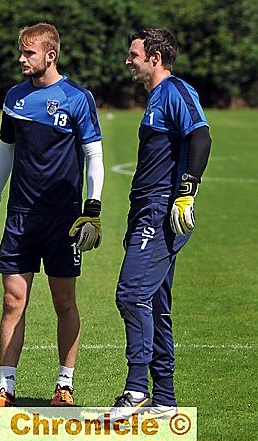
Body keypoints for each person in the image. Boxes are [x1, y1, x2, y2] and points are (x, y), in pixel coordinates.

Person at [0, 23, 104, 407]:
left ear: (50, 56)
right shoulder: (14, 98)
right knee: (13, 299)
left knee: (63, 301)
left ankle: (64, 385)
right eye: (21, 51)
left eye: (28, 53)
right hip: (20, 215)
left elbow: (93, 155)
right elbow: (6, 151)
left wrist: (92, 209)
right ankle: (6, 387)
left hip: (63, 218)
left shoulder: (77, 98)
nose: (21, 59)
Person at [110, 28, 211, 418]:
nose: (128, 60)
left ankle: (136, 391)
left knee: (130, 294)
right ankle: (165, 399)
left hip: (160, 211)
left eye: (133, 54)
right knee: (154, 302)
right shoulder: (155, 98)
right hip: (144, 211)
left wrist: (188, 190)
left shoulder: (176, 91)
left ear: (154, 57)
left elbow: (201, 137)